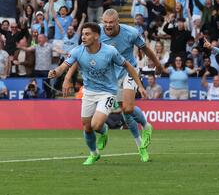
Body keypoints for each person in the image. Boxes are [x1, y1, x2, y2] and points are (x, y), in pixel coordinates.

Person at [63, 9, 162, 162]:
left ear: (118, 22)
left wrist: (157, 64)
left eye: (111, 23)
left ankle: (146, 126)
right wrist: (68, 77)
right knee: (125, 113)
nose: (108, 26)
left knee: (128, 108)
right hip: (111, 75)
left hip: (129, 70)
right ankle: (140, 146)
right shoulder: (95, 33)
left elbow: (146, 49)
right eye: (105, 22)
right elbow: (80, 55)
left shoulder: (131, 32)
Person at [48, 22, 147, 165]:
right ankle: (94, 154)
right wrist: (55, 72)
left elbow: (127, 65)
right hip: (89, 92)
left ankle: (104, 129)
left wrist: (140, 85)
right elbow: (64, 66)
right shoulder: (77, 51)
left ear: (96, 36)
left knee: (96, 124)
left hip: (107, 92)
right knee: (87, 127)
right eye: (82, 34)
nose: (83, 37)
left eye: (87, 34)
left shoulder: (110, 51)